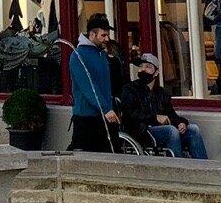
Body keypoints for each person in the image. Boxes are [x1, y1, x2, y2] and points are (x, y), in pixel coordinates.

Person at [119, 53, 209, 159]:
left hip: (160, 129)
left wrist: (181, 122)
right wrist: (154, 117)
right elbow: (129, 114)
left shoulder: (161, 92)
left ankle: (204, 168)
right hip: (141, 130)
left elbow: (171, 114)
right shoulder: (130, 89)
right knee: (171, 131)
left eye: (147, 67)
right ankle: (178, 168)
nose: (143, 69)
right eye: (141, 66)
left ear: (156, 72)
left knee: (193, 129)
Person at [67, 13, 124, 152]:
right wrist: (106, 108)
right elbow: (88, 86)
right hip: (87, 117)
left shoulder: (101, 54)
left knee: (111, 153)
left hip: (105, 115)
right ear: (92, 35)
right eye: (103, 35)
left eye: (107, 35)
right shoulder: (78, 55)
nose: (107, 39)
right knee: (85, 156)